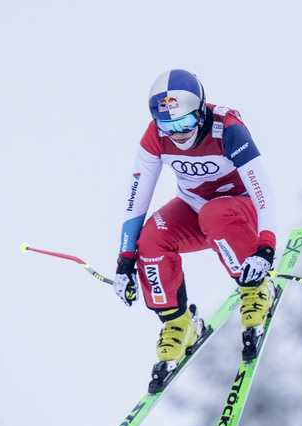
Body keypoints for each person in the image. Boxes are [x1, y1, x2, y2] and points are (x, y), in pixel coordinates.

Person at [112, 69, 278, 384]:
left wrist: (265, 248)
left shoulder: (226, 128)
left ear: (201, 111)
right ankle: (179, 324)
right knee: (150, 238)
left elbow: (264, 191)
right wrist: (125, 259)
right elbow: (137, 198)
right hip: (195, 211)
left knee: (215, 214)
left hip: (239, 210)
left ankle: (257, 289)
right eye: (168, 127)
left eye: (185, 124)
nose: (178, 134)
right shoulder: (155, 137)